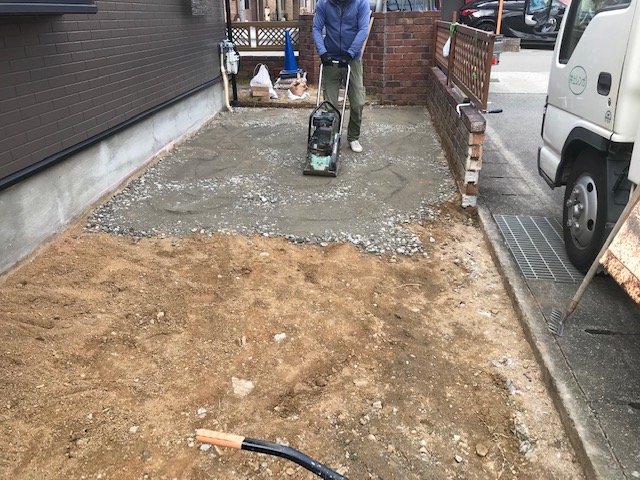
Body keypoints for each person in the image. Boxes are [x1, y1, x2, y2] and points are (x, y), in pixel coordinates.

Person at [312, 0, 370, 153]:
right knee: (330, 104)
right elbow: (317, 28)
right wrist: (322, 53)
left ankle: (353, 137)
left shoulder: (361, 3)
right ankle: (331, 136)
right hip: (330, 59)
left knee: (357, 102)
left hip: (352, 59)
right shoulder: (324, 3)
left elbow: (363, 30)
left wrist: (350, 53)